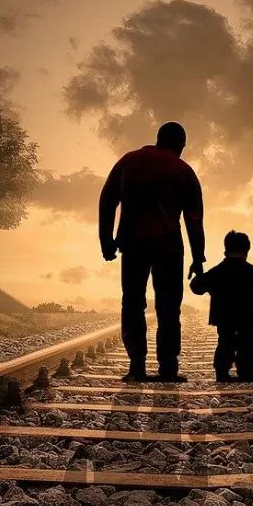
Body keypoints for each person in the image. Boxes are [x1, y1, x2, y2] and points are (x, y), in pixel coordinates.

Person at [98, 121, 205, 383]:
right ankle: (168, 367)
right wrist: (198, 258)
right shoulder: (184, 170)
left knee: (132, 302)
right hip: (169, 247)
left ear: (158, 138)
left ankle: (136, 367)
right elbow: (194, 218)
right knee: (169, 307)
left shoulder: (129, 161)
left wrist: (107, 241)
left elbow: (108, 200)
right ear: (181, 145)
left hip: (133, 244)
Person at [190, 230, 253, 382]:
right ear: (247, 250)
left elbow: (196, 287)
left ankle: (222, 374)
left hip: (224, 315)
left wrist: (203, 279)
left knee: (225, 343)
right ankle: (245, 373)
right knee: (246, 345)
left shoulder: (218, 271)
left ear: (226, 249)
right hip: (248, 316)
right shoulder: (252, 271)